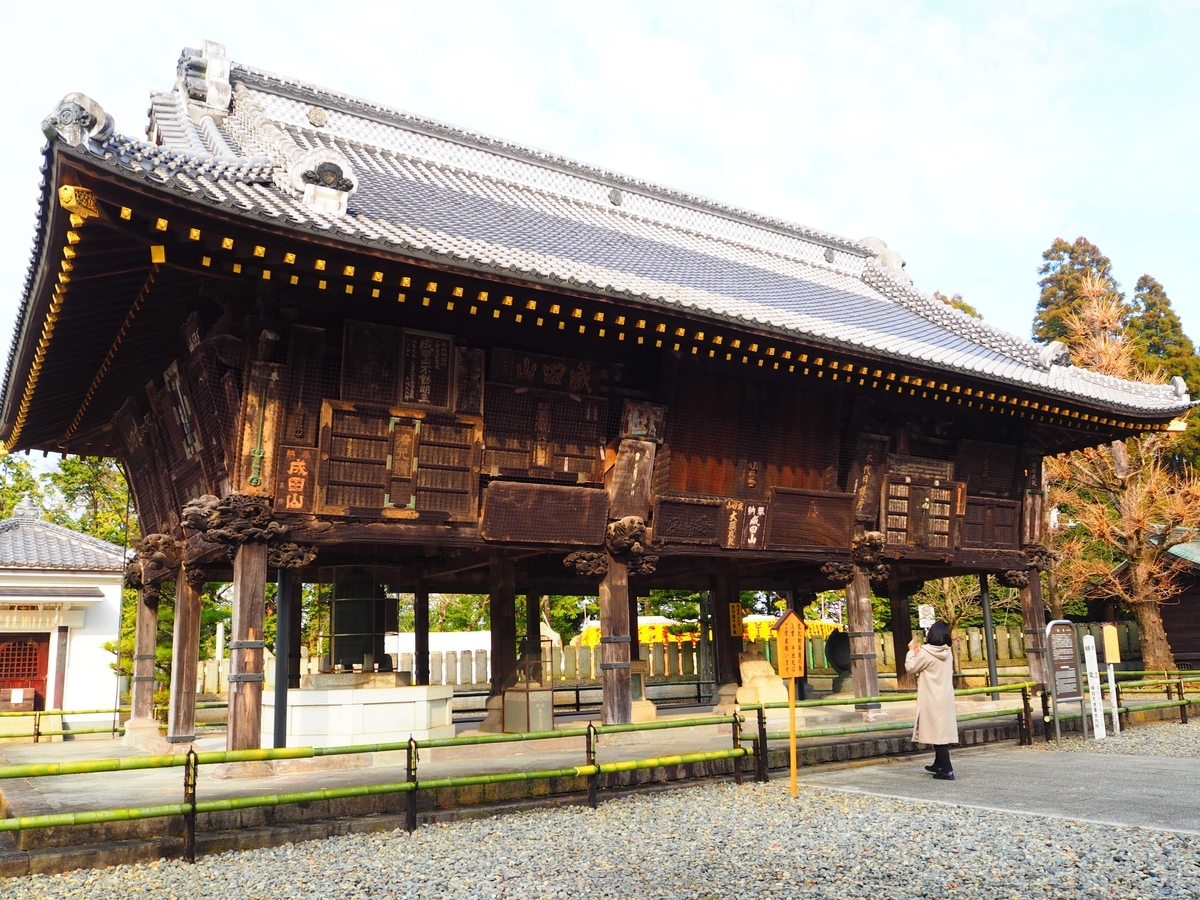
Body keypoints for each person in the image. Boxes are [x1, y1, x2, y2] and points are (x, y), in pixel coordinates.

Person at [907, 622, 958, 780]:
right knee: (940, 731)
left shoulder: (926, 652)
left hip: (931, 697)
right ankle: (938, 764)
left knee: (937, 734)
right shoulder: (948, 653)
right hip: (945, 697)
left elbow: (910, 668)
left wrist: (911, 652)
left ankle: (947, 769)